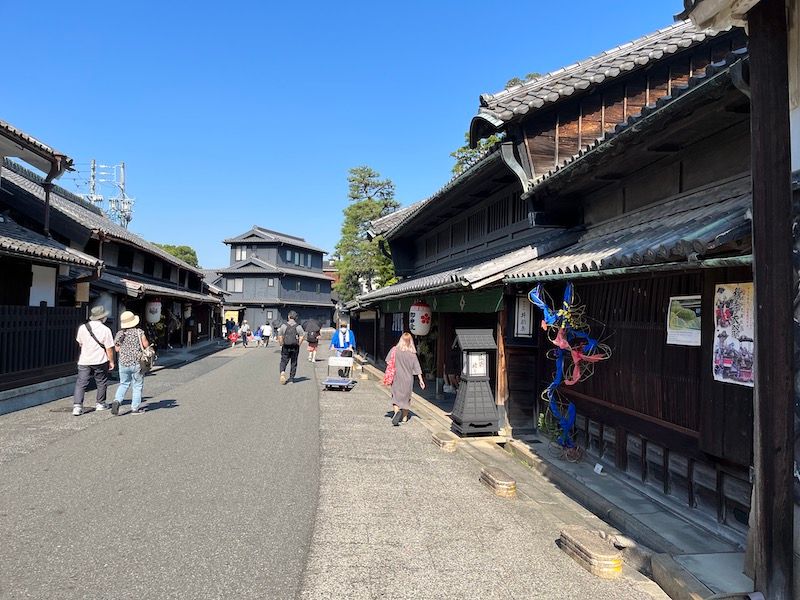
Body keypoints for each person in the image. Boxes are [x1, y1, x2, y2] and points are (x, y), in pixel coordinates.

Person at [72, 305, 116, 416]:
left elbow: (80, 343)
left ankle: (77, 406)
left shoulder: (83, 327)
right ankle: (100, 404)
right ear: (103, 317)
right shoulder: (105, 329)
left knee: (81, 383)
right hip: (100, 359)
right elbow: (109, 348)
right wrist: (111, 361)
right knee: (101, 381)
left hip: (84, 359)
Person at [112, 310, 150, 415]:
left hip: (123, 362)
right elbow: (146, 345)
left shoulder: (120, 334)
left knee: (123, 383)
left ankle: (117, 400)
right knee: (137, 385)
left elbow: (117, 349)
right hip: (137, 362)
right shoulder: (139, 332)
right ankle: (135, 408)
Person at [386, 332, 425, 426]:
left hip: (397, 377)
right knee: (406, 399)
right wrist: (421, 380)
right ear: (410, 341)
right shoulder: (412, 354)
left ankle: (396, 412)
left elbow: (388, 361)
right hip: (408, 379)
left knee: (395, 397)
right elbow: (417, 367)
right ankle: (404, 418)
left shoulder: (394, 350)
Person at [277, 311, 305, 384]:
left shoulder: (284, 326)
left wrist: (281, 344)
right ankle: (291, 378)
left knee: (283, 360)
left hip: (286, 346)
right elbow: (302, 336)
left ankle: (282, 372)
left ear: (288, 317)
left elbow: (280, 336)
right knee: (294, 362)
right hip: (295, 346)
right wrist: (298, 344)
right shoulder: (298, 326)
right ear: (296, 318)